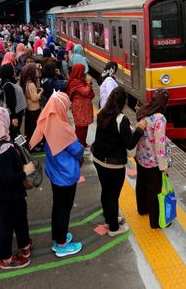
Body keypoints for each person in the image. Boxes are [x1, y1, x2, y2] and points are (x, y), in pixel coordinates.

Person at [0, 107, 35, 270]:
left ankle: (24, 245)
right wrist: (25, 172)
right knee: (8, 224)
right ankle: (6, 258)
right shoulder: (3, 149)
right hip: (10, 193)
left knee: (20, 216)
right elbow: (8, 177)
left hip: (1, 192)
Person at [29, 93, 83, 257]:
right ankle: (61, 244)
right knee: (63, 209)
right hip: (66, 175)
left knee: (58, 206)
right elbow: (77, 150)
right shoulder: (60, 127)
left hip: (55, 173)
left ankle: (59, 235)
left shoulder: (47, 121)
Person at [90, 87, 145, 236]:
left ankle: (109, 218)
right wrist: (139, 129)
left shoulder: (101, 112)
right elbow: (129, 144)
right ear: (122, 103)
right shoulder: (122, 120)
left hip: (98, 159)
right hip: (113, 165)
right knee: (113, 195)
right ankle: (114, 228)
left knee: (106, 191)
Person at [134, 90, 171, 229]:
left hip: (141, 157)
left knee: (141, 184)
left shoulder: (144, 111)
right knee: (154, 190)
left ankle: (142, 209)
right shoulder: (159, 118)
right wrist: (163, 165)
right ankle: (155, 222)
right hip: (153, 161)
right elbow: (159, 143)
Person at [66, 63, 94, 149]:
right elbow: (85, 91)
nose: (84, 73)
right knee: (80, 128)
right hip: (79, 108)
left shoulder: (80, 80)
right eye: (82, 71)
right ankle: (79, 145)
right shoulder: (75, 82)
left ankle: (83, 143)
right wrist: (88, 83)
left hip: (85, 108)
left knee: (85, 126)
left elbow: (89, 93)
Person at [0, 64, 26, 140]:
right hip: (14, 113)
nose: (14, 71)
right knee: (13, 133)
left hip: (17, 111)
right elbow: (11, 102)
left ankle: (19, 148)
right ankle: (15, 148)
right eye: (13, 69)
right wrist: (14, 117)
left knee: (16, 132)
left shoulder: (10, 82)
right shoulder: (8, 85)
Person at [19, 63, 42, 145]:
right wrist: (41, 92)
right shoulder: (31, 84)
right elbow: (35, 98)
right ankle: (34, 144)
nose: (36, 72)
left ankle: (30, 144)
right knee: (33, 129)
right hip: (34, 108)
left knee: (29, 128)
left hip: (29, 108)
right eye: (35, 70)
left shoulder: (26, 82)